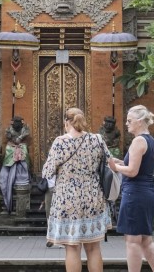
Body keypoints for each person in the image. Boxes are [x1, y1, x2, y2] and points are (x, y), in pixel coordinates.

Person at [42, 108, 111, 272]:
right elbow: (110, 162)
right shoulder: (97, 139)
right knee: (93, 247)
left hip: (67, 199)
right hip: (92, 197)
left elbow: (47, 172)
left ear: (66, 123)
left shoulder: (60, 142)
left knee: (72, 248)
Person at [108, 105, 154, 272]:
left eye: (129, 120)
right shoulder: (150, 140)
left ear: (139, 122)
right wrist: (120, 163)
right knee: (146, 240)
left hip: (135, 194)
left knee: (132, 241)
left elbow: (132, 171)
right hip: (146, 192)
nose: (126, 124)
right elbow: (137, 167)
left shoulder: (138, 141)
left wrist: (115, 167)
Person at [0, 115, 30, 213]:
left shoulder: (25, 130)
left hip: (22, 151)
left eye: (18, 122)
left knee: (24, 166)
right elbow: (9, 137)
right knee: (4, 176)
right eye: (15, 122)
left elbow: (23, 137)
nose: (17, 124)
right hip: (10, 151)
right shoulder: (9, 130)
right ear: (12, 123)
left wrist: (20, 138)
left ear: (22, 122)